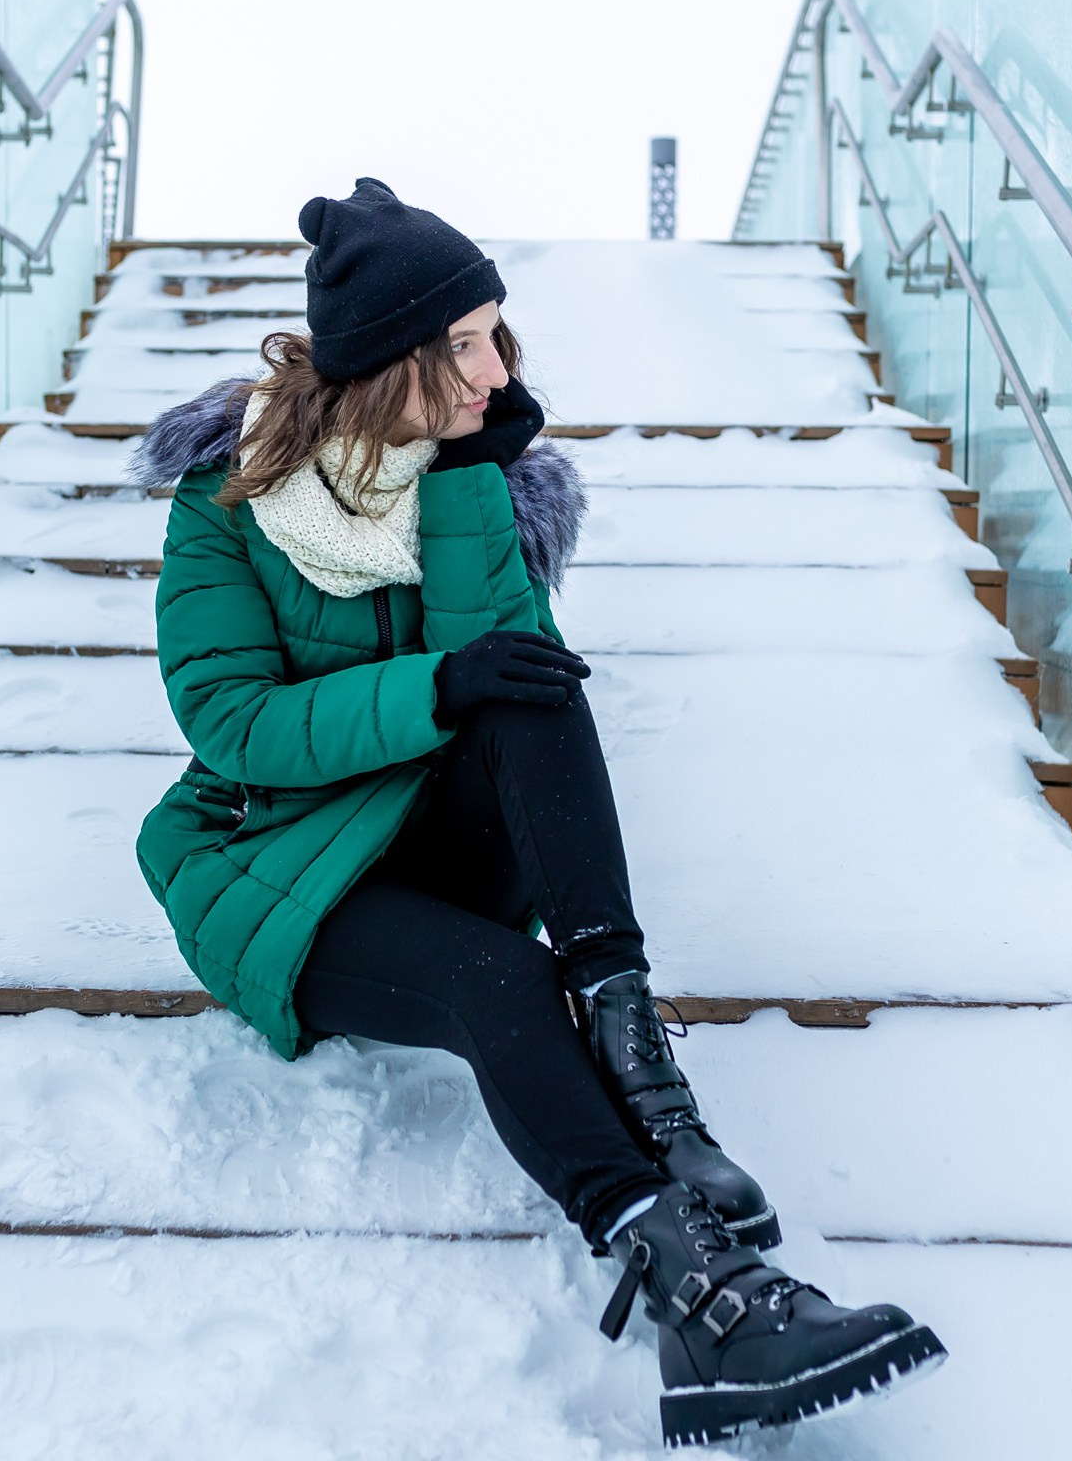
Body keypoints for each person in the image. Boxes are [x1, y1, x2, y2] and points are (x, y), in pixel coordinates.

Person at [131, 178, 942, 1446]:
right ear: (381, 358)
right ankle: (698, 1291)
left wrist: (464, 482)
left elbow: (505, 675)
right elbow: (230, 726)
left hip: (427, 824)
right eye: (462, 344)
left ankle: (635, 1052)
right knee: (499, 978)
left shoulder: (481, 476)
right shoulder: (226, 502)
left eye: (498, 333)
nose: (496, 368)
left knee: (534, 685)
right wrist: (437, 685)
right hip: (276, 866)